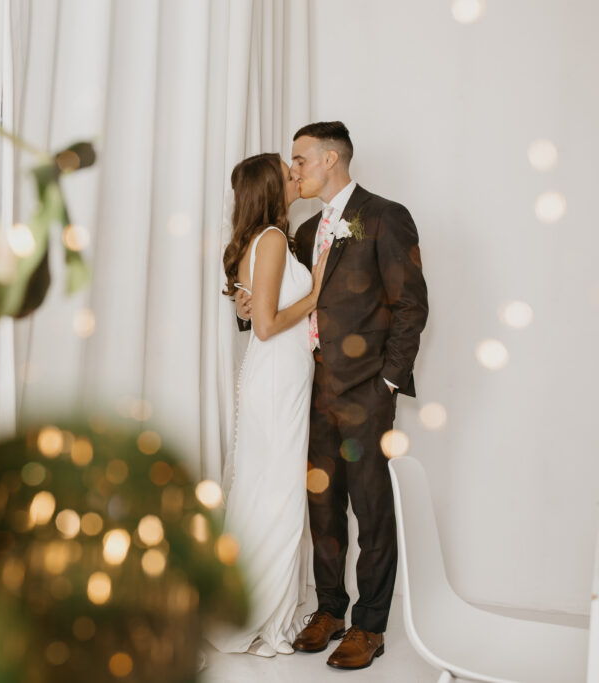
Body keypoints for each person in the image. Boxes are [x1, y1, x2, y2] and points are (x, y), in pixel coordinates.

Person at [285, 121, 429, 670]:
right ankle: (329, 610)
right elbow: (300, 301)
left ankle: (370, 625)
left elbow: (411, 303)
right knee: (322, 505)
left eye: (299, 158)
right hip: (312, 386)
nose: (294, 168)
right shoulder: (304, 230)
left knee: (371, 507)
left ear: (329, 158)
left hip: (366, 391)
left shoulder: (384, 216)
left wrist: (387, 380)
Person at [209, 153, 327, 657]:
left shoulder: (268, 239)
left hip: (279, 378)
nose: (296, 175)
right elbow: (265, 324)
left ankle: (255, 613)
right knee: (276, 498)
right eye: (288, 171)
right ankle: (256, 618)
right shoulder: (274, 240)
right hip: (276, 378)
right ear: (271, 187)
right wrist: (317, 290)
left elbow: (256, 306)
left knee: (267, 494)